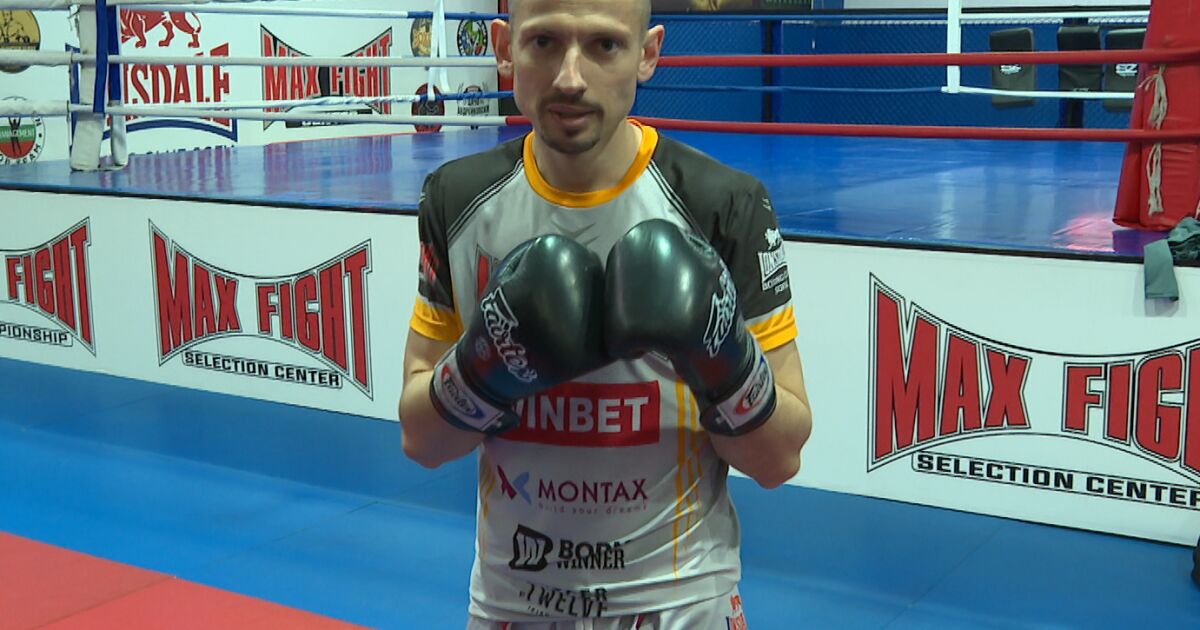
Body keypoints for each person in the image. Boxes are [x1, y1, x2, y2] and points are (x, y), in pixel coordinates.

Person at [398, 0, 812, 627]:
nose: (570, 77)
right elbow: (421, 441)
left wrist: (720, 357)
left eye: (604, 45)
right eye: (544, 42)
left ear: (648, 53)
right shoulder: (456, 201)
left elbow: (779, 460)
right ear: (504, 48)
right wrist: (482, 369)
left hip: (679, 602)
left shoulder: (723, 206)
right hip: (513, 603)